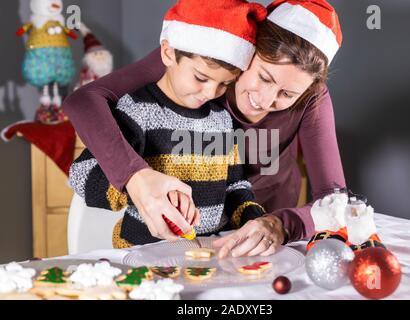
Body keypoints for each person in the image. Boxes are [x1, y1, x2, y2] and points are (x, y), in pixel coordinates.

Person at [64, 0, 384, 257]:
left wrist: (281, 225)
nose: (265, 100)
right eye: (263, 77)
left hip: (261, 230)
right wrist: (136, 177)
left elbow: (334, 199)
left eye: (287, 94)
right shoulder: (203, 58)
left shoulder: (312, 97)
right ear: (247, 49)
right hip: (168, 238)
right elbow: (84, 102)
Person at [68, 0, 267, 248]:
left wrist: (251, 217)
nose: (211, 92)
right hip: (144, 254)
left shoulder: (221, 119)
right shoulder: (138, 110)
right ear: (168, 53)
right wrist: (137, 187)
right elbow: (80, 174)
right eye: (201, 77)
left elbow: (235, 184)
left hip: (210, 252)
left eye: (225, 84)